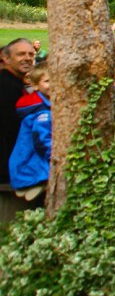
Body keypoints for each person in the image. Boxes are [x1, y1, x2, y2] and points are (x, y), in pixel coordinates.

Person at [9, 67, 51, 201]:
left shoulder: (39, 107)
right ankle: (34, 183)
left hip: (25, 164)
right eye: (47, 81)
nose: (53, 85)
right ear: (35, 86)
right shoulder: (43, 113)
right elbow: (42, 140)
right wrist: (56, 157)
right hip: (34, 166)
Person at [0, 38, 36, 185]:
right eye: (21, 54)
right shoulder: (5, 86)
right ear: (6, 59)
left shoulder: (16, 84)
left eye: (31, 54)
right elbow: (10, 128)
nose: (27, 58)